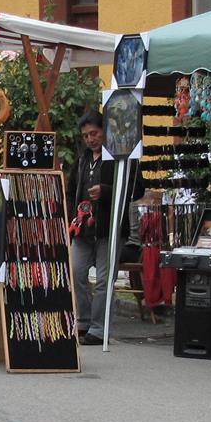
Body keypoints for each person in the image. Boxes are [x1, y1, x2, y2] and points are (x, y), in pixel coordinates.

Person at [65, 111, 141, 346]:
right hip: (83, 229)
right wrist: (72, 217)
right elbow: (71, 190)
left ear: (105, 131)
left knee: (103, 280)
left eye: (94, 133)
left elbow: (136, 189)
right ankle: (83, 321)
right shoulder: (82, 160)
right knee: (76, 272)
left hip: (110, 229)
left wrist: (106, 191)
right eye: (86, 135)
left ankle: (99, 329)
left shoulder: (121, 158)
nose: (90, 139)